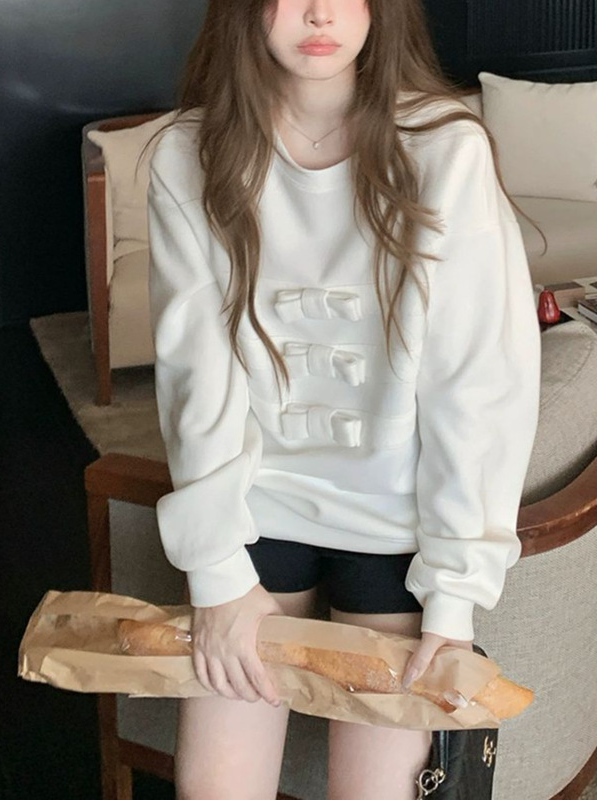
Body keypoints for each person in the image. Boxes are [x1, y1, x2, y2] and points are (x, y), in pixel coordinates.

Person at [145, 0, 542, 798]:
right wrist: (217, 575)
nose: (320, 12)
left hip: (397, 530)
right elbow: (197, 378)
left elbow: (477, 388)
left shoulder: (445, 149)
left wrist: (454, 600)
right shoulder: (187, 152)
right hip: (253, 512)